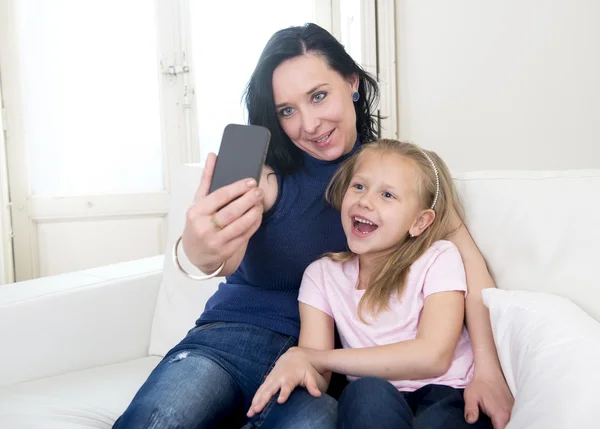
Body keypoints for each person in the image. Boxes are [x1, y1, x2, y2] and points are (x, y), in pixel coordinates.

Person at [113, 23, 512, 429]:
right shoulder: (266, 170)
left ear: (352, 83)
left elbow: (468, 268)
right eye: (287, 110)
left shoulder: (398, 177)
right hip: (234, 340)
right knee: (158, 420)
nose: (309, 124)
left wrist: (489, 370)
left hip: (322, 368)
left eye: (318, 96)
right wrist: (200, 249)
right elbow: (223, 256)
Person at [248, 139, 494, 429]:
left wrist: (314, 357)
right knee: (365, 393)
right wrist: (299, 367)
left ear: (420, 222)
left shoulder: (438, 258)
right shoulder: (321, 276)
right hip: (376, 401)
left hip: (449, 395)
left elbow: (434, 356)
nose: (365, 201)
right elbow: (319, 374)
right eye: (359, 186)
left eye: (387, 195)